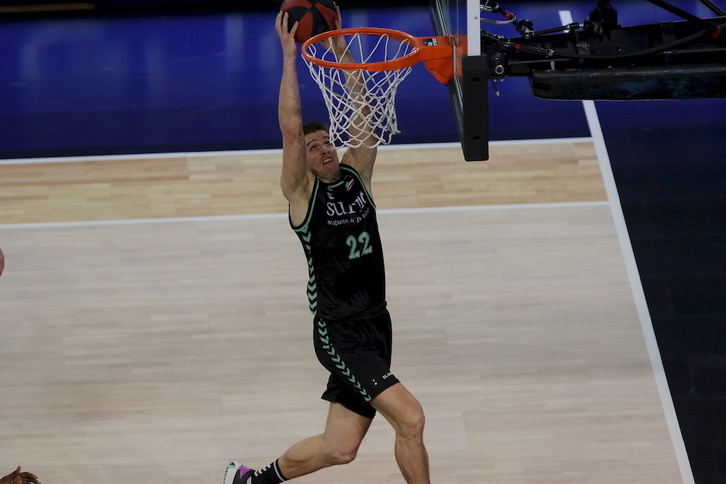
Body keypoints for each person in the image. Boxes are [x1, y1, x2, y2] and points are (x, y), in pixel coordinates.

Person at [224, 8, 430, 484]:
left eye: (326, 142)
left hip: (377, 323)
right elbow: (291, 129)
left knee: (340, 449)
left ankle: (251, 480)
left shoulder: (358, 173)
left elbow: (362, 118)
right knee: (412, 419)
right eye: (313, 147)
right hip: (340, 332)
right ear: (306, 161)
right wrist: (290, 57)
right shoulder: (303, 196)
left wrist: (339, 50)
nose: (323, 148)